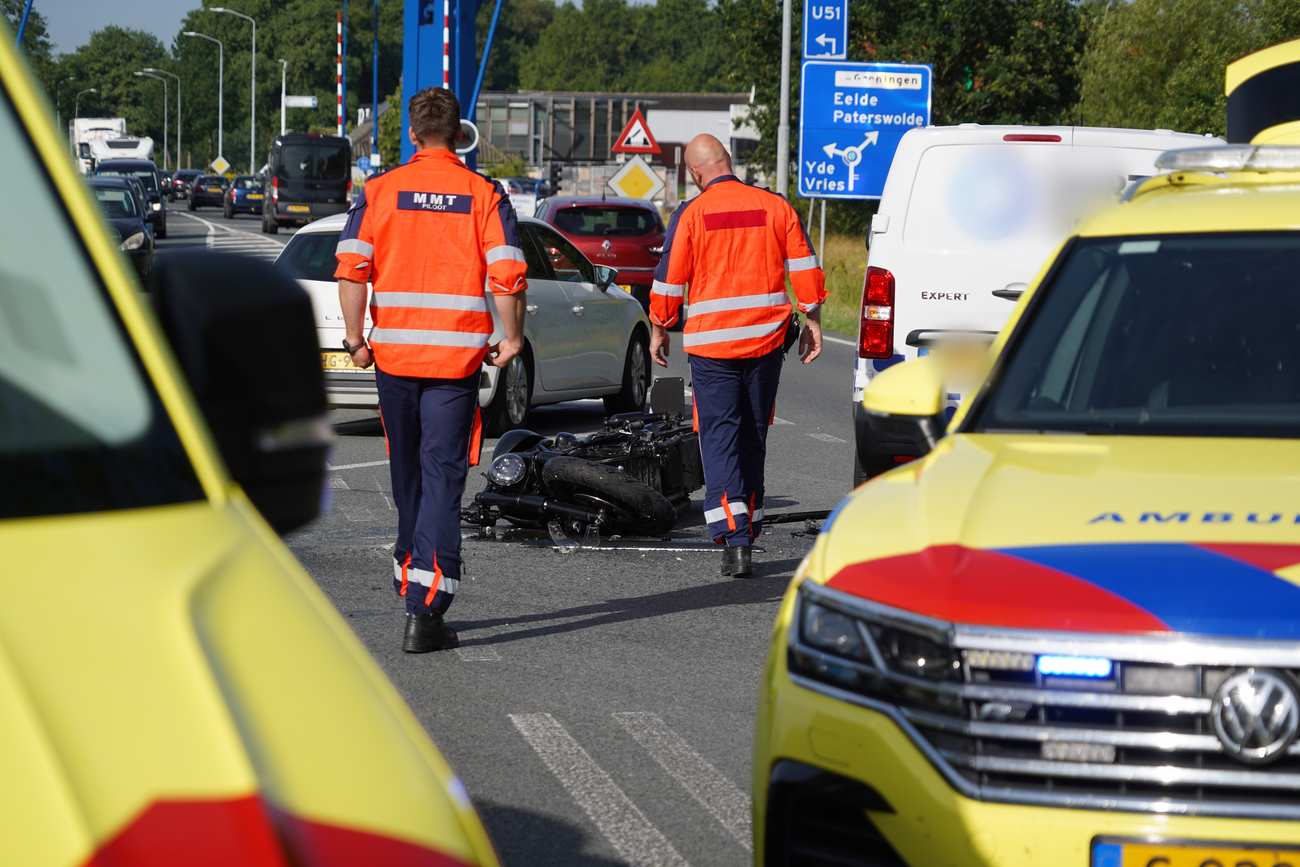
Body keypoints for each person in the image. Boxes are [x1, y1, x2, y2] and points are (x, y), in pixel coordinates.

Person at [335, 87, 527, 652]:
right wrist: (510, 337)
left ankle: (409, 569)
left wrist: (354, 340)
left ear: (413, 135)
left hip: (394, 359)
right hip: (453, 363)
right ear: (458, 135)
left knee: (408, 473)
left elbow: (352, 270)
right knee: (443, 475)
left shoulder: (380, 191)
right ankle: (427, 603)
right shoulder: (482, 193)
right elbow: (508, 274)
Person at [649, 134, 826, 578]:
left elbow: (669, 279)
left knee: (719, 436)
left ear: (694, 172)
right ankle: (752, 516)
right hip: (765, 343)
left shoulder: (691, 214)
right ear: (729, 161)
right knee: (753, 433)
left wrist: (659, 328)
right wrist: (812, 320)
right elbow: (804, 265)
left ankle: (736, 535)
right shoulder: (774, 206)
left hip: (713, 349)